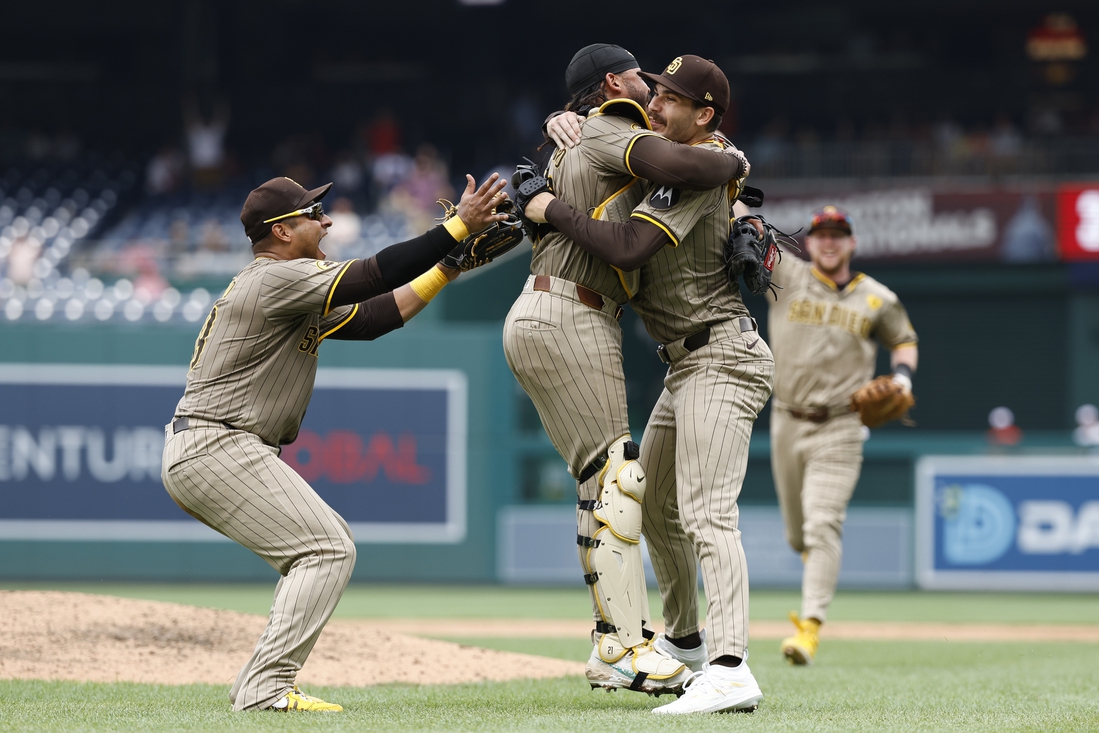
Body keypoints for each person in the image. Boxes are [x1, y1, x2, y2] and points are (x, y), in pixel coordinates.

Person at [161, 173, 508, 712]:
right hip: (217, 444)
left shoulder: (289, 286)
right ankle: (263, 689)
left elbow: (375, 318)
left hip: (217, 446)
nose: (325, 221)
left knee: (319, 549)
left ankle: (260, 684)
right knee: (326, 548)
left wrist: (448, 266)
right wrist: (457, 225)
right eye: (311, 214)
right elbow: (376, 274)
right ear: (280, 232)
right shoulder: (277, 279)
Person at [523, 55, 770, 715]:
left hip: (722, 352)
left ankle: (729, 665)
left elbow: (629, 247)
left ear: (705, 114)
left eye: (671, 98)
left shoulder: (693, 165)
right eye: (654, 91)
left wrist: (544, 207)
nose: (656, 104)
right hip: (685, 362)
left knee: (706, 511)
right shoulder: (661, 154)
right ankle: (686, 639)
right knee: (652, 502)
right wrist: (561, 122)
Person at [767, 205, 918, 665]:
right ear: (808, 242)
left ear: (851, 242)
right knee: (799, 537)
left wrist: (904, 378)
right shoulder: (785, 273)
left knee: (821, 524)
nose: (829, 242)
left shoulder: (876, 297)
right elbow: (740, 218)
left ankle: (810, 627)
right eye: (821, 235)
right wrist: (714, 164)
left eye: (838, 234)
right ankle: (815, 579)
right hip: (785, 420)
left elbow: (904, 340)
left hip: (841, 425)